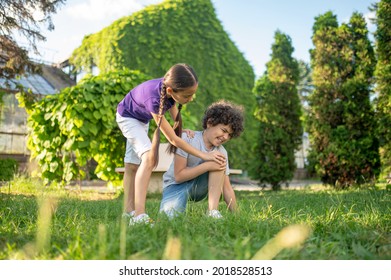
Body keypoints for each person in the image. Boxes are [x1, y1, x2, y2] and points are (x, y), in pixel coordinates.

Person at [116, 63, 226, 225]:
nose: (190, 99)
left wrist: (183, 130)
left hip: (141, 119)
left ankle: (128, 212)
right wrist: (204, 155)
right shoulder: (154, 98)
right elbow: (173, 140)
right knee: (147, 158)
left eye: (192, 94)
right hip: (127, 117)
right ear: (170, 91)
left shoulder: (169, 90)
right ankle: (138, 216)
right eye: (188, 96)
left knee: (132, 165)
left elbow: (176, 121)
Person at [159, 100, 244, 219]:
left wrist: (238, 215)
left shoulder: (221, 152)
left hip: (199, 189)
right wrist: (208, 166)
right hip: (176, 185)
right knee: (170, 219)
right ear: (209, 123)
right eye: (224, 130)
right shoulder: (188, 139)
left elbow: (227, 187)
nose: (225, 137)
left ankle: (212, 212)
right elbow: (178, 176)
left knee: (218, 159)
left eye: (230, 135)